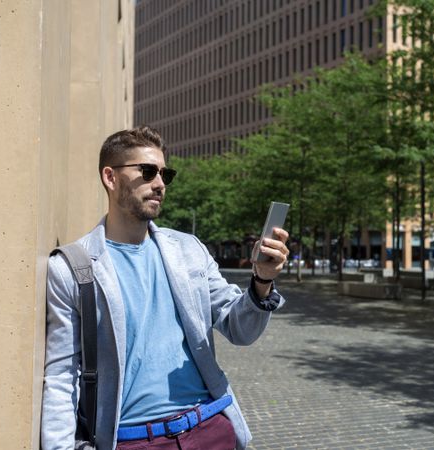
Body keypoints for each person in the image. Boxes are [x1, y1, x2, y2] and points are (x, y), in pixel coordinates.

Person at [41, 126, 289, 450]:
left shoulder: (189, 249)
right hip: (134, 441)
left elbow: (240, 328)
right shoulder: (72, 267)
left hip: (210, 429)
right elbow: (62, 376)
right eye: (147, 172)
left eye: (164, 174)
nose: (159, 184)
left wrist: (263, 281)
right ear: (110, 177)